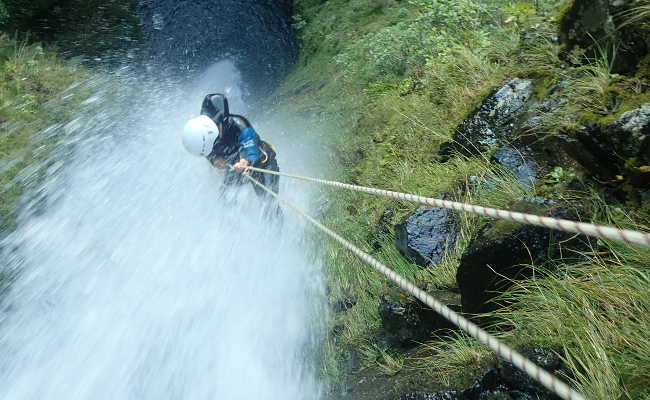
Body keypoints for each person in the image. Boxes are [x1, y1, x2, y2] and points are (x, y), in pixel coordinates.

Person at [182, 94, 281, 201]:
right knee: (224, 196)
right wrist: (214, 159)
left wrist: (244, 161)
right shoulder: (203, 135)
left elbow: (249, 145)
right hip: (236, 168)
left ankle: (274, 216)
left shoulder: (239, 125)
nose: (215, 143)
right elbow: (207, 152)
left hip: (262, 164)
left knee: (268, 200)